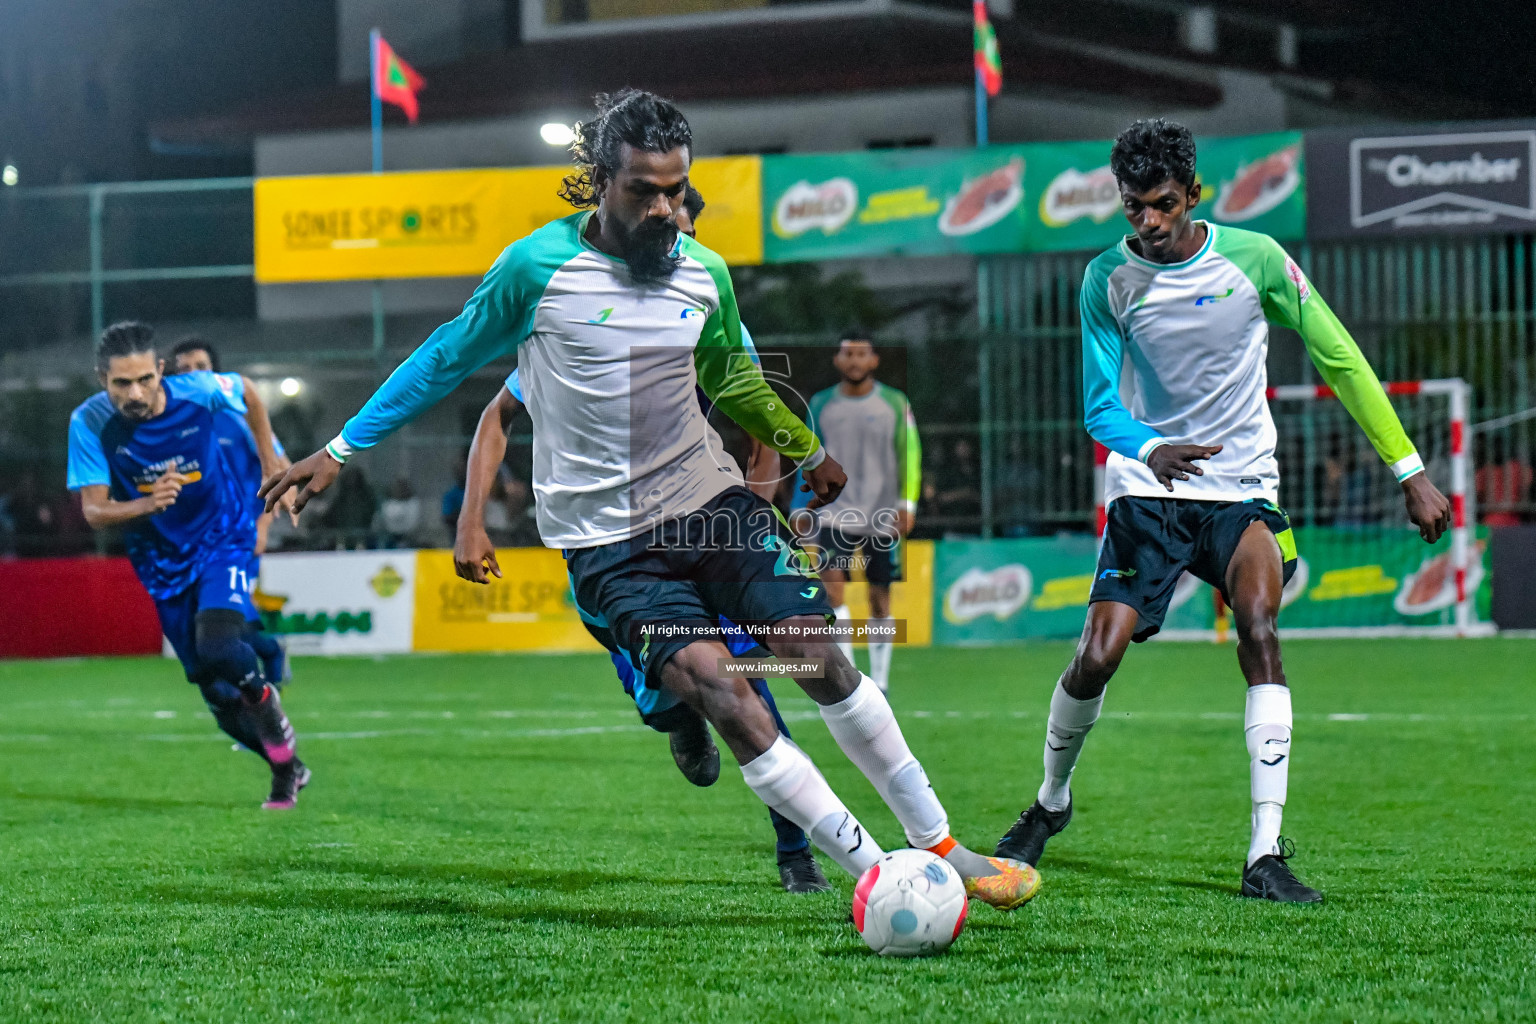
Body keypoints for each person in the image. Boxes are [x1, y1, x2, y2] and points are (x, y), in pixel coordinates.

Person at [262, 88, 1038, 909]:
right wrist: (341, 448)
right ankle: (874, 876)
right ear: (602, 180)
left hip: (711, 506)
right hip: (611, 543)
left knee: (820, 654)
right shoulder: (535, 269)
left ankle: (942, 845)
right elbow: (444, 361)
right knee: (719, 688)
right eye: (646, 192)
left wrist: (808, 448)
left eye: (677, 190)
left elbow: (732, 374)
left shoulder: (703, 273)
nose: (668, 210)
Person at [994, 119, 1451, 903]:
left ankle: (1264, 854)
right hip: (1148, 493)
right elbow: (1100, 409)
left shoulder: (1257, 260)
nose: (1148, 222)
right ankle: (1051, 801)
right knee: (1099, 655)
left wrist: (1408, 469)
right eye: (1133, 207)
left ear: (1194, 193)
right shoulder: (1106, 279)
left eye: (1163, 204)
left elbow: (1338, 356)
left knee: (1260, 628)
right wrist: (1149, 447)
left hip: (1242, 491)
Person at [451, 185, 831, 894]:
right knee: (674, 700)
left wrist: (759, 516)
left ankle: (795, 848)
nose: (661, 233)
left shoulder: (708, 310)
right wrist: (471, 520)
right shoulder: (583, 330)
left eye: (676, 222)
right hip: (615, 549)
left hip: (707, 529)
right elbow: (496, 417)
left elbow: (761, 426)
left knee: (753, 684)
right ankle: (674, 716)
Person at [68, 321, 309, 808]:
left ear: (161, 372)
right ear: (102, 379)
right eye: (121, 383)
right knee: (212, 690)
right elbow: (94, 511)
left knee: (219, 644)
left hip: (223, 535)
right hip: (159, 558)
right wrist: (146, 504)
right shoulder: (89, 423)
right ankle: (286, 767)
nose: (135, 393)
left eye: (144, 380)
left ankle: (265, 698)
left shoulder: (197, 390)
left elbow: (247, 392)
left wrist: (270, 461)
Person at [791, 331, 920, 691]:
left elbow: (909, 453)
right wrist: (801, 507)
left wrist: (907, 504)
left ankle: (880, 681)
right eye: (848, 354)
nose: (854, 361)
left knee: (880, 598)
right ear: (838, 360)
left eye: (862, 354)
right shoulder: (820, 404)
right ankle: (851, 677)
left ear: (874, 360)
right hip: (835, 513)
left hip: (881, 514)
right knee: (833, 594)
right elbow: (806, 455)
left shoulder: (895, 403)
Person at [169, 337, 293, 686]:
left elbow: (279, 467)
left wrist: (264, 524)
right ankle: (268, 657)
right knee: (219, 630)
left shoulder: (237, 416)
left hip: (238, 537)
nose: (193, 376)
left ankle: (261, 707)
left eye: (201, 368)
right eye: (184, 370)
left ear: (216, 373)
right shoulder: (173, 423)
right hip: (195, 541)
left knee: (218, 632)